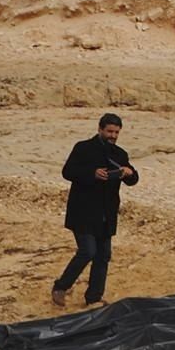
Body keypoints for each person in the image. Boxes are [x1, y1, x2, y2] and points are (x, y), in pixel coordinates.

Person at [51, 113, 137, 308]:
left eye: (116, 132)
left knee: (103, 255)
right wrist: (92, 174)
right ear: (100, 129)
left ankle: (94, 298)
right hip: (83, 211)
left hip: (106, 214)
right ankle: (60, 287)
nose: (113, 135)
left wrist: (129, 173)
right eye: (109, 131)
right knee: (87, 251)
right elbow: (68, 172)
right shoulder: (83, 148)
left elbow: (133, 179)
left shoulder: (120, 154)